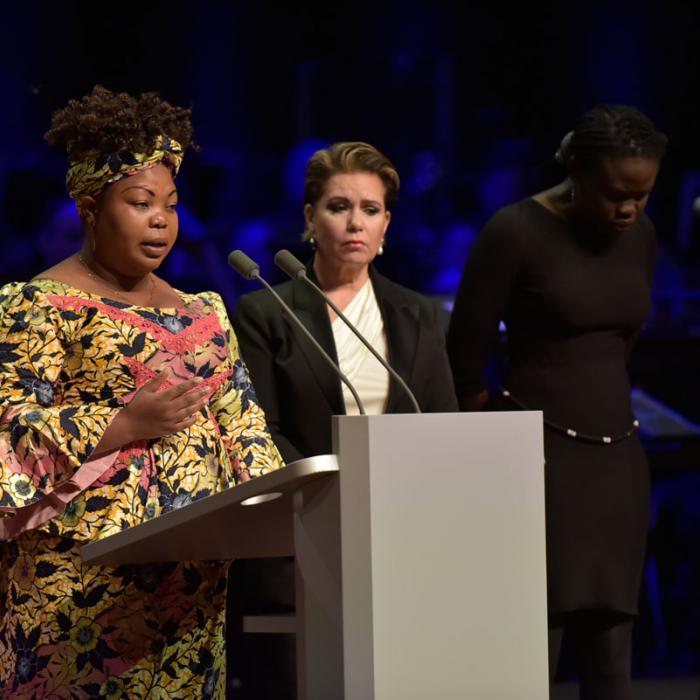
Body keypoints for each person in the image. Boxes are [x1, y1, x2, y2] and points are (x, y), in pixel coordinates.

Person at [0, 85, 283, 699]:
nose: (161, 219)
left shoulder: (205, 313)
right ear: (89, 206)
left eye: (171, 204)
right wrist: (125, 423)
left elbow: (246, 432)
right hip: (80, 591)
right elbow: (9, 437)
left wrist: (283, 509)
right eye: (139, 202)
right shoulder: (38, 306)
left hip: (193, 582)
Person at [446, 104, 667, 699]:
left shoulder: (640, 236)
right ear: (576, 169)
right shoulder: (516, 231)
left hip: (616, 453)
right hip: (534, 455)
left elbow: (624, 339)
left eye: (642, 195)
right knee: (532, 646)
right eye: (615, 192)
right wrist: (495, 438)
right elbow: (464, 348)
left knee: (611, 652)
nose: (628, 208)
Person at [232, 141, 458, 463]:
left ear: (386, 223)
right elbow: (261, 431)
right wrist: (330, 488)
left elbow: (444, 423)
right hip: (309, 501)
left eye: (370, 209)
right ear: (311, 218)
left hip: (407, 494)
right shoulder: (265, 314)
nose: (356, 223)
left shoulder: (419, 313)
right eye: (339, 207)